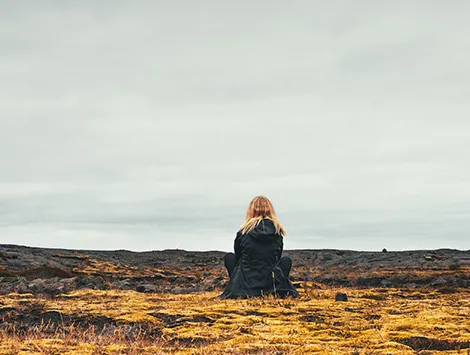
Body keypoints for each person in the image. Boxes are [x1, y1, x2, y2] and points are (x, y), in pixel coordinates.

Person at [219, 196, 299, 299]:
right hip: (272, 283)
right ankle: (277, 288)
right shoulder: (277, 233)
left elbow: (239, 258)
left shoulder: (243, 233)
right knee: (285, 261)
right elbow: (277, 258)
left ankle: (236, 288)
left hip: (246, 285)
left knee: (230, 257)